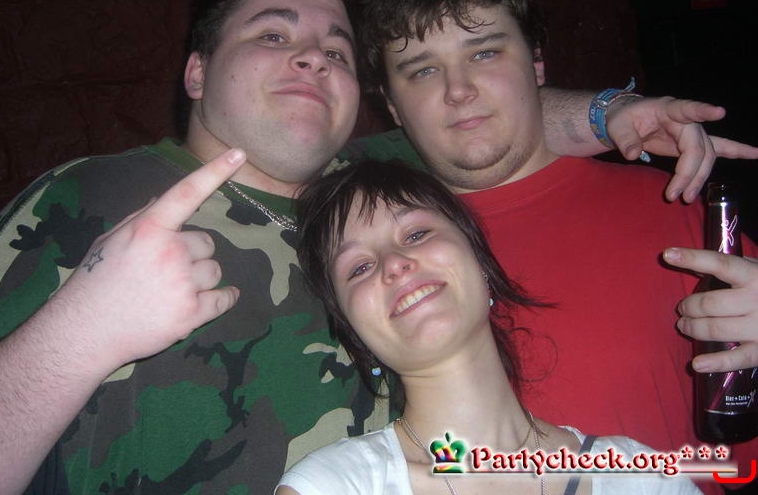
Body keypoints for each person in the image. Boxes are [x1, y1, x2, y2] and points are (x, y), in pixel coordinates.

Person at [0, 0, 751, 494]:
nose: (312, 56)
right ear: (196, 71)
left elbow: (477, 117)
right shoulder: (93, 196)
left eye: (336, 50)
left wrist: (613, 111)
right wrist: (80, 332)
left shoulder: (375, 189)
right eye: (273, 34)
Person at [348, 0, 758, 491]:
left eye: (484, 53)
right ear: (391, 105)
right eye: (422, 71)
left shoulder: (673, 213)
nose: (458, 90)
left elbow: (739, 463)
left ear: (537, 62)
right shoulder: (374, 263)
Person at [277, 159, 701, 494]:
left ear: (482, 264)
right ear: (354, 333)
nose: (394, 264)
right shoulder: (333, 486)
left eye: (416, 234)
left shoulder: (644, 481)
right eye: (360, 267)